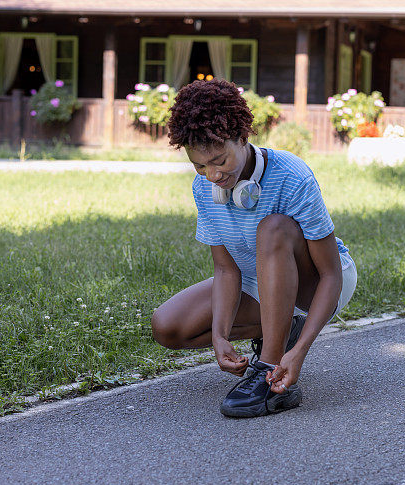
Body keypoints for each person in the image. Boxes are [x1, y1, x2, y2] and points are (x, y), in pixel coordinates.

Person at [151, 79, 357, 418]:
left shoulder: (292, 175)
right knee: (168, 326)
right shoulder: (205, 189)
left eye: (219, 160)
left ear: (243, 138)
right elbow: (226, 269)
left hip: (318, 283)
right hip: (256, 280)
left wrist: (300, 351)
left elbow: (332, 276)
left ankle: (270, 368)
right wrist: (219, 335)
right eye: (200, 166)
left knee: (272, 228)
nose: (212, 175)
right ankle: (280, 329)